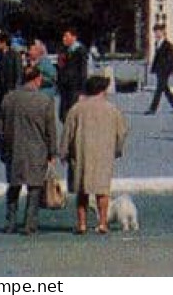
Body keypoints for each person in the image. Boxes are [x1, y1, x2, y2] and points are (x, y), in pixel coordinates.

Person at [60, 74, 128, 235]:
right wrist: (117, 150)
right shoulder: (112, 110)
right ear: (102, 90)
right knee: (102, 190)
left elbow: (67, 132)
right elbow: (122, 132)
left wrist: (64, 152)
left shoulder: (77, 109)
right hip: (104, 154)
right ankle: (103, 223)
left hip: (81, 153)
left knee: (82, 191)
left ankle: (82, 224)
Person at [0, 64, 58, 236]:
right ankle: (29, 224)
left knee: (14, 186)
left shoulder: (8, 99)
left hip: (13, 148)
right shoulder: (45, 101)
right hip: (36, 149)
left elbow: (1, 127)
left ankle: (10, 222)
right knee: (34, 187)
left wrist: (2, 149)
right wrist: (52, 152)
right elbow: (50, 130)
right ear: (37, 79)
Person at [146, 25, 173, 116]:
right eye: (155, 32)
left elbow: (172, 58)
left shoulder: (168, 45)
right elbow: (156, 58)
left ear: (163, 32)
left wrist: (172, 69)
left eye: (158, 31)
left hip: (165, 70)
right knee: (165, 88)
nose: (157, 34)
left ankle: (153, 109)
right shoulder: (157, 43)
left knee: (159, 89)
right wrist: (153, 68)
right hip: (159, 69)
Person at [55, 29, 87, 123]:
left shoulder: (80, 51)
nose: (64, 39)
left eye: (66, 36)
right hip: (64, 87)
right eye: (63, 36)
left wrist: (82, 90)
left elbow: (83, 71)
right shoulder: (64, 50)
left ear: (74, 37)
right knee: (63, 114)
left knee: (72, 114)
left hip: (75, 87)